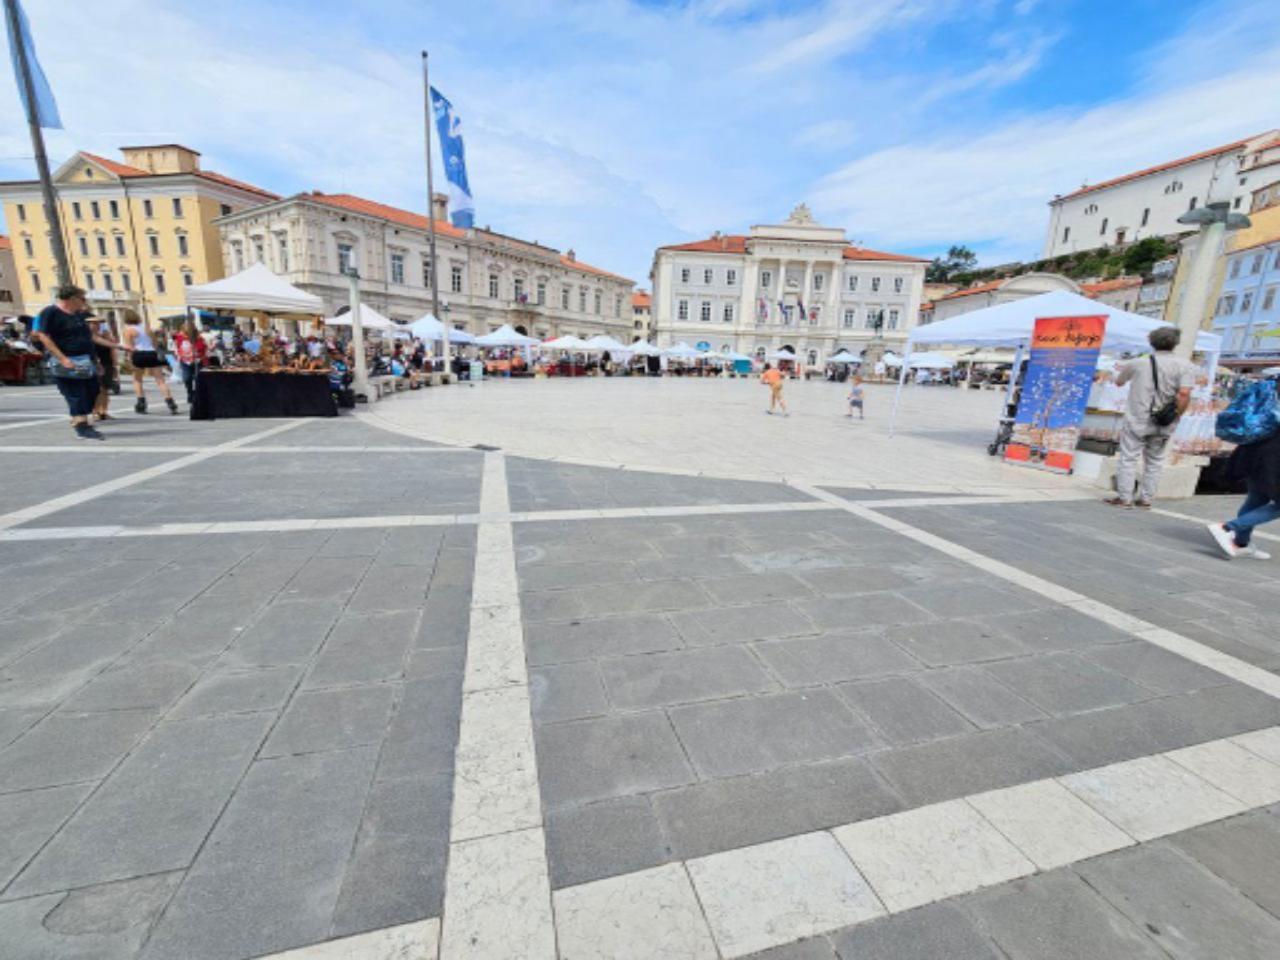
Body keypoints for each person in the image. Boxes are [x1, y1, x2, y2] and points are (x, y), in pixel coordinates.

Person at [1104, 327, 1197, 508]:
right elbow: (1184, 393)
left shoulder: (1138, 363)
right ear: (1176, 343)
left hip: (1137, 417)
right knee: (1155, 460)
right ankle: (1146, 499)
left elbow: (1119, 382)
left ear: (1151, 342)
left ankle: (1125, 497)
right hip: (1164, 421)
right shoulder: (1185, 365)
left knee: (1128, 458)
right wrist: (1177, 415)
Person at [32, 284, 118, 440]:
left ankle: (80, 419)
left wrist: (97, 359)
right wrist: (63, 358)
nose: (84, 302)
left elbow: (89, 337)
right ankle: (82, 426)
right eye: (82, 298)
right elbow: (43, 336)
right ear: (72, 299)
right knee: (76, 393)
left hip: (85, 359)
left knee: (93, 390)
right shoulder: (50, 312)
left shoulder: (78, 315)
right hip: (67, 359)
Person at [1207, 401, 1280, 560]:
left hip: (1255, 449)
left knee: (1257, 498)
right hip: (1273, 458)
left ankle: (1241, 543)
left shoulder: (1271, 389)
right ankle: (1227, 528)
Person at [121, 311, 177, 414]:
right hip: (151, 353)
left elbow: (129, 346)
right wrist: (154, 351)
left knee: (137, 379)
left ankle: (141, 402)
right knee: (160, 380)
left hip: (138, 354)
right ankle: (170, 401)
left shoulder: (128, 330)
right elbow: (155, 342)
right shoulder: (147, 328)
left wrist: (129, 359)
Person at [91, 315, 122, 421]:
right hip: (95, 364)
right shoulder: (88, 337)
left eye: (99, 323)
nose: (97, 326)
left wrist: (115, 365)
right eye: (94, 323)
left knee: (105, 389)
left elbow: (112, 351)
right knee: (96, 389)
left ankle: (103, 411)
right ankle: (95, 411)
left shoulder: (105, 337)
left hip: (107, 363)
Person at [173, 323, 207, 405]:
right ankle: (190, 392)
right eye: (186, 329)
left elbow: (203, 348)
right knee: (187, 378)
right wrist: (178, 354)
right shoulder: (179, 337)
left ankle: (198, 394)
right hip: (185, 361)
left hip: (197, 361)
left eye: (190, 329)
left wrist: (197, 351)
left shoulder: (199, 338)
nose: (187, 331)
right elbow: (177, 347)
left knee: (199, 378)